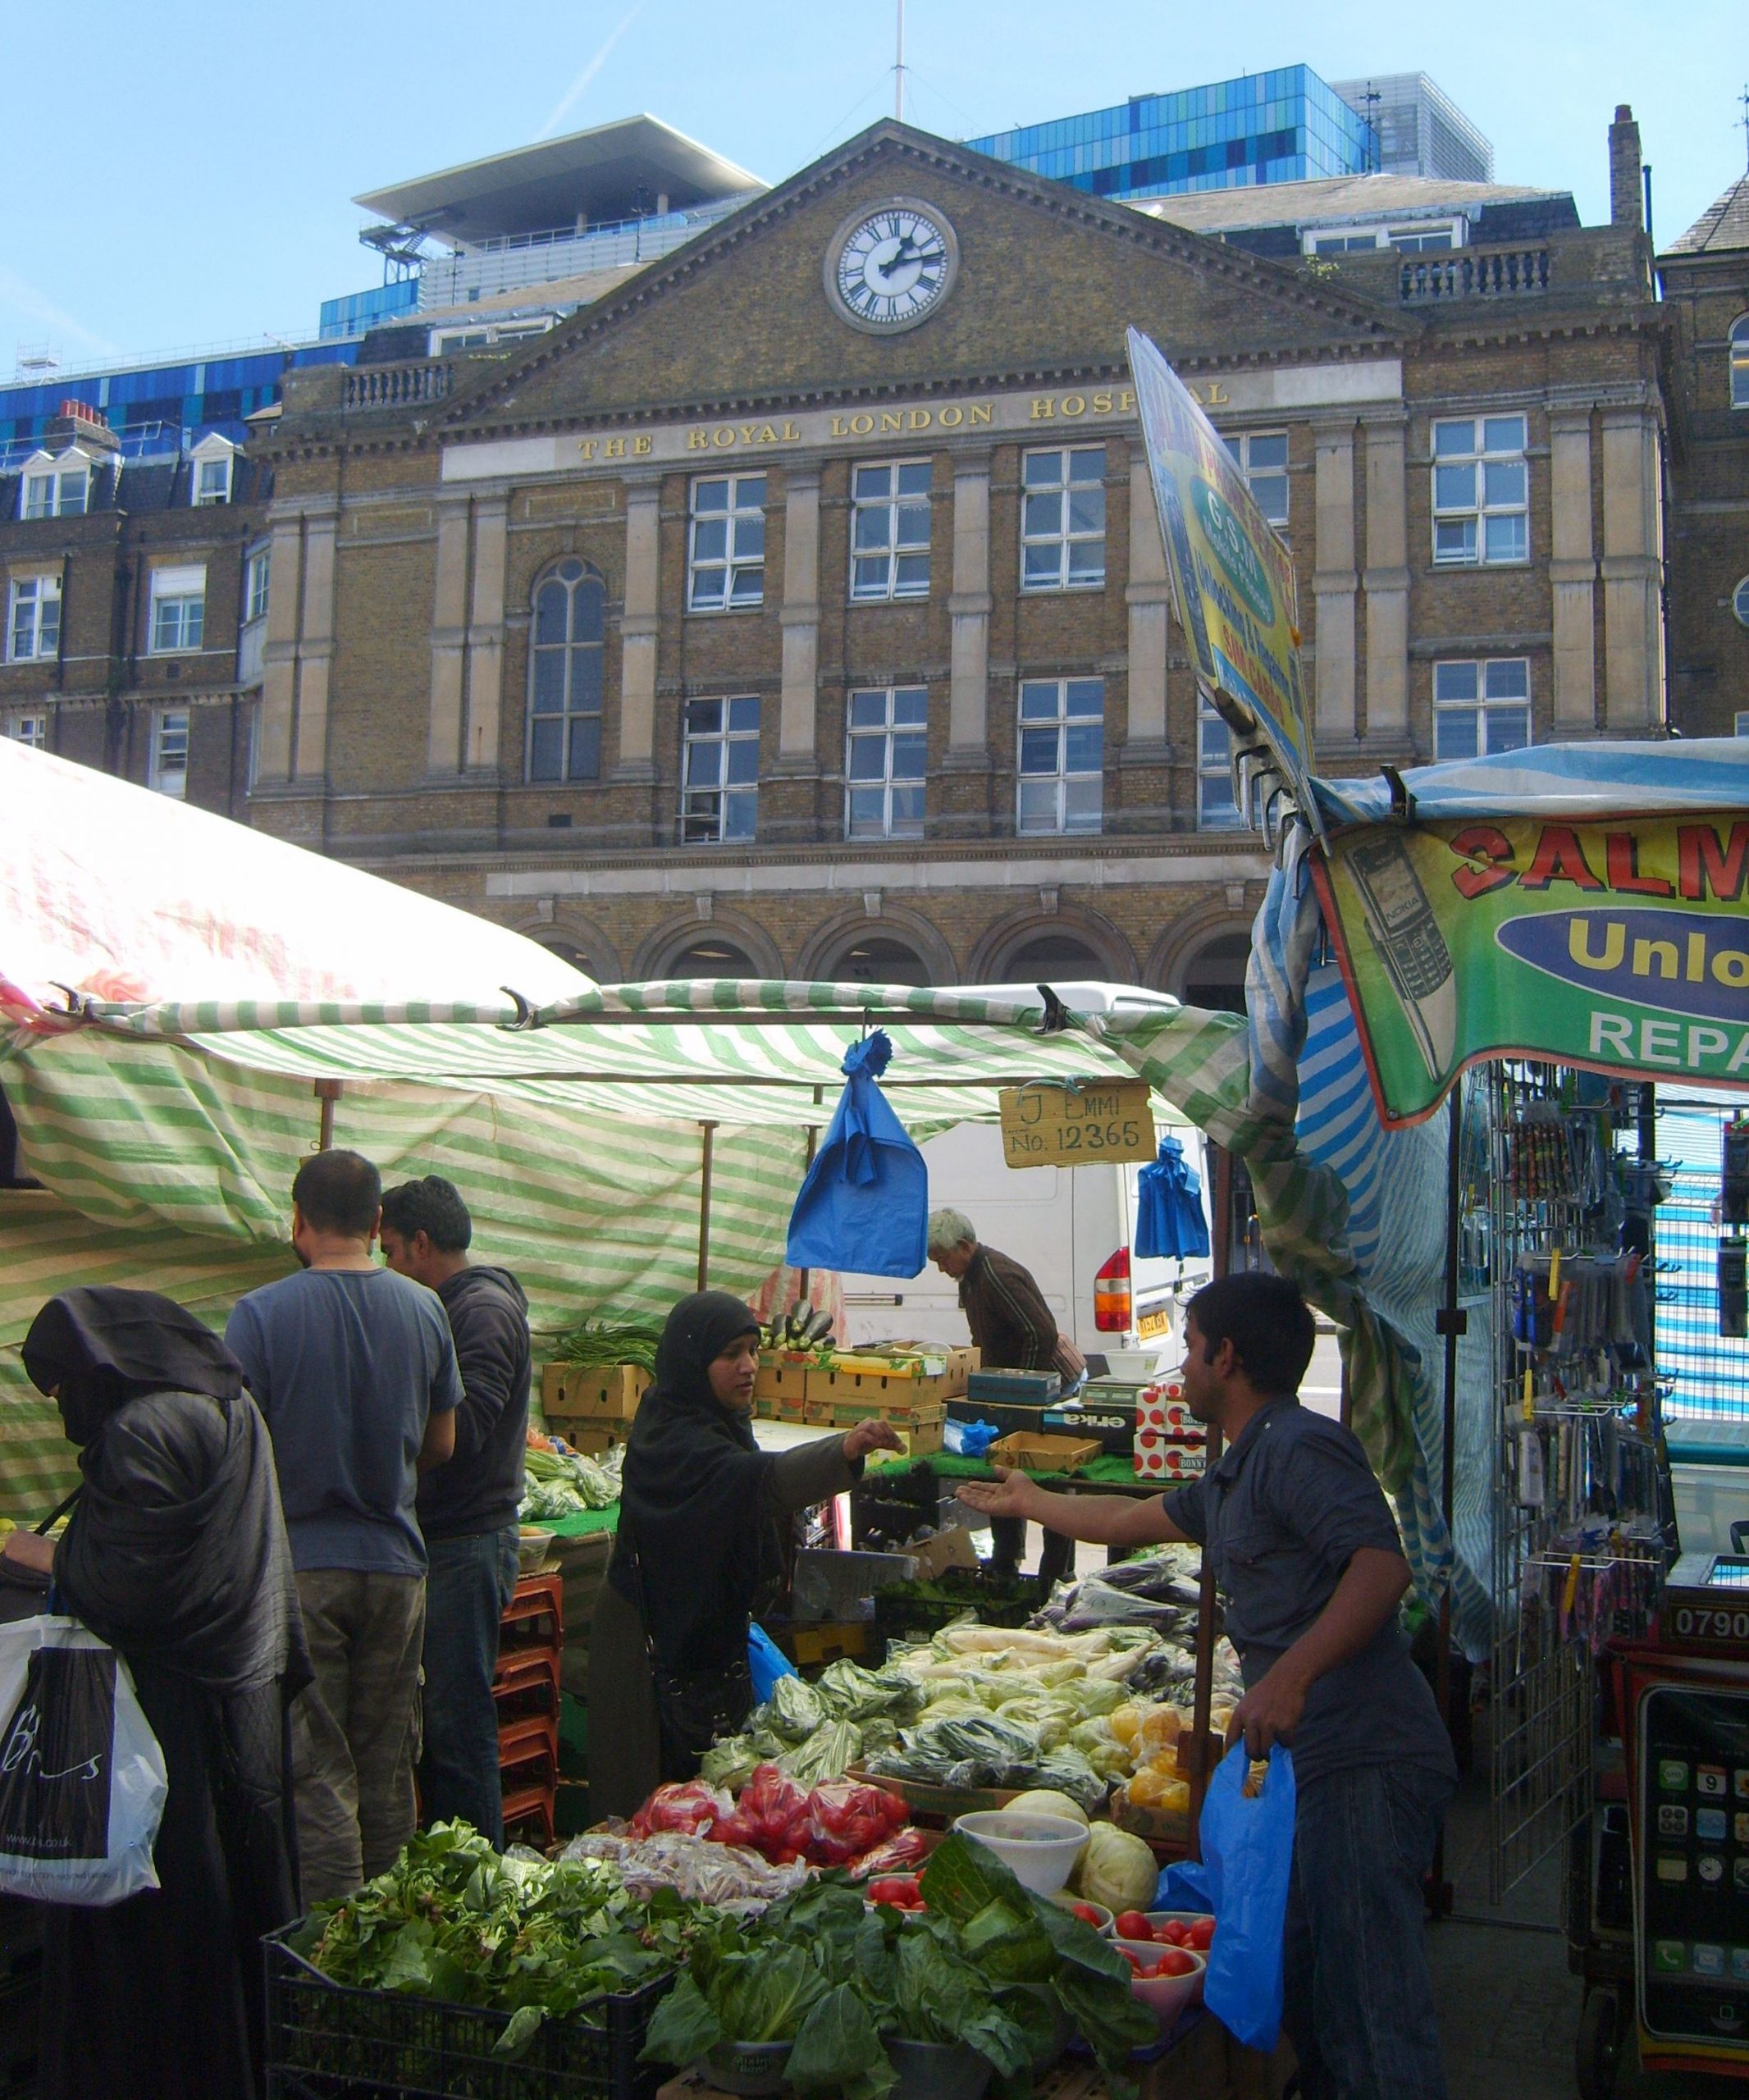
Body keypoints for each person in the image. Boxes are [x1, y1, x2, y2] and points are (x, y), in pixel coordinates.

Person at [957, 1272, 1457, 2100]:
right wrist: (1033, 1500)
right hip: (1310, 1768)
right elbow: (1125, 1521)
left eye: (1188, 1349)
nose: (1179, 1368)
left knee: (1372, 2001)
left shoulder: (1297, 1447)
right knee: (1310, 1981)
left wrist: (1289, 1674)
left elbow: (1381, 1563)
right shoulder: (1236, 1471)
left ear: (1225, 1357)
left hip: (1364, 1758)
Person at [20, 1287, 309, 2100]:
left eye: (62, 1389)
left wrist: (39, 1555)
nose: (64, 1410)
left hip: (168, 1714)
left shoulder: (146, 1427)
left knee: (163, 1936)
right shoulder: (231, 1400)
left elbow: (125, 1586)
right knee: (236, 1916)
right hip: (242, 1690)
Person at [225, 1148, 463, 1903]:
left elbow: (236, 1455)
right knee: (386, 1762)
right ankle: (390, 1945)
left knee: (318, 1766)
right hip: (396, 1566)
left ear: (296, 1219)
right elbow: (443, 1444)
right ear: (378, 1222)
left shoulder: (258, 1316)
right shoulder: (425, 1309)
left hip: (301, 1573)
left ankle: (332, 1951)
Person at [588, 1290, 902, 1820]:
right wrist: (843, 1451)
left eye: (753, 1352)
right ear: (693, 1361)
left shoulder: (719, 1424)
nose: (749, 1367)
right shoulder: (673, 1440)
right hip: (647, 1644)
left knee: (711, 1802)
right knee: (648, 1811)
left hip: (701, 1641)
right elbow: (753, 1483)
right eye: (731, 1354)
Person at [380, 1175, 530, 1845]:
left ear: (419, 1244)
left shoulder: (481, 1312)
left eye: (387, 1251)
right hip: (444, 1540)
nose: (383, 1267)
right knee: (441, 1723)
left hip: (467, 1544)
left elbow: (464, 1434)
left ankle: (477, 1874)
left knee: (457, 1723)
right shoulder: (452, 1308)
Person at [925, 1206, 1084, 1587]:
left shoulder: (996, 1274)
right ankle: (1005, 1563)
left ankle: (1056, 1574)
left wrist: (1021, 1390)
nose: (941, 1268)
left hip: (1047, 1389)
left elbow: (1041, 1333)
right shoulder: (970, 1276)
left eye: (944, 1258)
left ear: (964, 1246)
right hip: (1012, 1390)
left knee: (1046, 1480)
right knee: (1003, 1472)